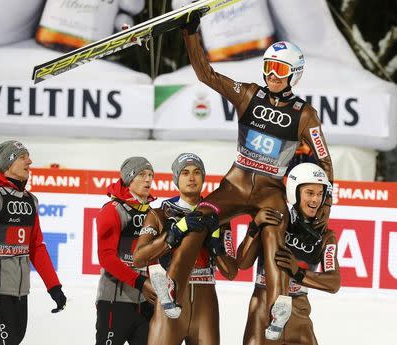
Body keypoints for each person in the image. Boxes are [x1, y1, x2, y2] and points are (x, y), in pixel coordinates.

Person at [151, 14, 334, 341]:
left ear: (294, 74)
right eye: (268, 68)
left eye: (280, 70)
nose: (272, 76)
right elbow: (205, 74)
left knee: (275, 232)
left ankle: (279, 305)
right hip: (235, 185)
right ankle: (172, 286)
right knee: (198, 220)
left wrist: (325, 207)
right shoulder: (249, 94)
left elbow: (325, 161)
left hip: (269, 190)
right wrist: (191, 33)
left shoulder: (305, 114)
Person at [133, 153, 238, 345]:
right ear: (176, 179)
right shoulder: (158, 214)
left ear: (204, 178)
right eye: (185, 173)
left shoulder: (219, 218)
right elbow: (138, 258)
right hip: (169, 303)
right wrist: (172, 234)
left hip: (205, 306)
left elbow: (231, 271)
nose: (191, 178)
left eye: (197, 172)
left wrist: (216, 247)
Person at [237, 162, 340, 344]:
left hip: (299, 313)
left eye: (319, 194)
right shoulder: (273, 221)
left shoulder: (326, 236)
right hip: (262, 310)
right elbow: (243, 263)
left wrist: (299, 272)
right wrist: (254, 227)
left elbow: (334, 283)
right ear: (294, 192)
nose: (315, 200)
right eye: (310, 193)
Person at [0, 140, 66, 345]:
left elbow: (36, 247)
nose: (29, 161)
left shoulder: (30, 200)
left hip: (20, 293)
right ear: (7, 163)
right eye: (22, 157)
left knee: (15, 339)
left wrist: (54, 287)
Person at [95, 157, 157, 345]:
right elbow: (106, 258)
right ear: (129, 179)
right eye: (142, 174)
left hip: (146, 304)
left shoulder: (153, 214)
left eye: (150, 175)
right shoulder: (112, 210)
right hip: (115, 302)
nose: (148, 180)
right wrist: (140, 282)